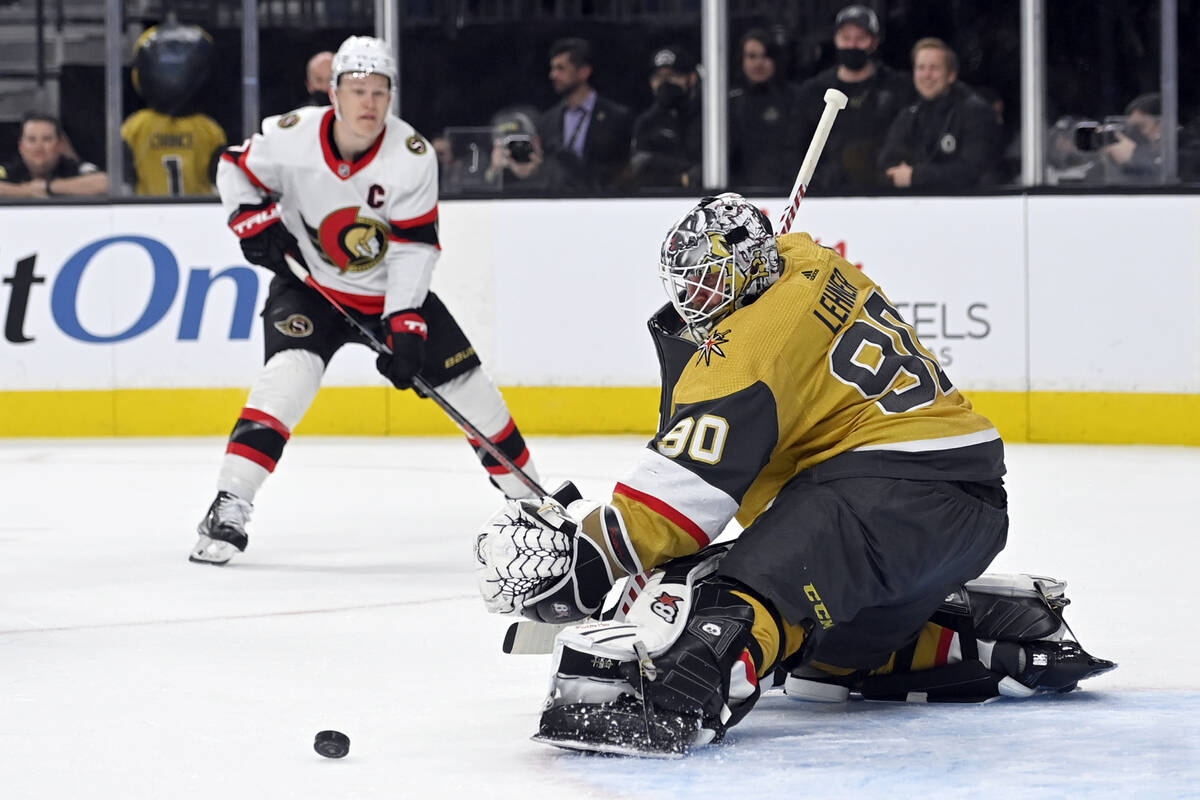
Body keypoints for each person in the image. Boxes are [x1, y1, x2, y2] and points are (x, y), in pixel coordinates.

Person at [473, 192, 1114, 755]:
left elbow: (682, 498)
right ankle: (977, 633)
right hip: (963, 506)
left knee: (732, 596)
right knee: (826, 658)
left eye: (708, 283)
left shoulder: (749, 349)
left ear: (748, 272)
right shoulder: (811, 260)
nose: (694, 300)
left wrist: (590, 553)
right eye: (686, 284)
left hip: (887, 494)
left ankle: (668, 697)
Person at [190, 35, 541, 566]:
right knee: (288, 379)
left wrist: (403, 320)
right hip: (308, 286)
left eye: (380, 91)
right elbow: (233, 166)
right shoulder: (292, 137)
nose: (369, 103)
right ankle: (230, 502)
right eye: (357, 90)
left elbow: (413, 245)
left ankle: (534, 504)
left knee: (471, 391)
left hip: (387, 294)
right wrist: (252, 221)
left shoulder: (411, 155)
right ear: (334, 93)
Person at [796, 6, 915, 193]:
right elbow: (796, 146)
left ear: (874, 42)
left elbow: (909, 140)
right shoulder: (813, 91)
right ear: (836, 39)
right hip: (827, 195)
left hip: (887, 194)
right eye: (846, 38)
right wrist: (819, 183)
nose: (852, 45)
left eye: (860, 38)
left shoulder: (899, 88)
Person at [877, 37, 1000, 190]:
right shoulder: (909, 115)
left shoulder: (976, 112)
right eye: (921, 68)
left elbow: (972, 170)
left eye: (934, 68)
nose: (926, 75)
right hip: (915, 205)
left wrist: (916, 176)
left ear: (951, 75)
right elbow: (887, 164)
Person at [121, 23, 227, 196]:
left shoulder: (135, 127)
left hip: (144, 213)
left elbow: (123, 186)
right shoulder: (209, 130)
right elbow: (221, 186)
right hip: (199, 215)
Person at [538, 37, 633, 191]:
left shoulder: (617, 118)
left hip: (604, 202)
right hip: (557, 205)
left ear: (583, 72)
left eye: (561, 68)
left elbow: (622, 169)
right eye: (552, 68)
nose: (553, 75)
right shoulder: (547, 121)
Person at [727, 29, 804, 189]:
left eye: (765, 56)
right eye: (752, 56)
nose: (758, 63)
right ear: (741, 60)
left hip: (787, 192)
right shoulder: (728, 103)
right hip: (740, 195)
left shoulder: (796, 98)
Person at [628, 45, 702, 189]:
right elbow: (641, 168)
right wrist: (682, 177)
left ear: (691, 78)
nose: (665, 83)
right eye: (658, 77)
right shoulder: (646, 123)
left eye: (672, 75)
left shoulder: (709, 119)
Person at [0, 112, 109, 198]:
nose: (39, 147)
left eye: (47, 139)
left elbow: (104, 182)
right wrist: (25, 191)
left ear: (59, 145)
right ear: (21, 147)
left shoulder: (75, 167)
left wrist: (48, 187)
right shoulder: (8, 170)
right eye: (32, 140)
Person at [483, 106, 550, 192]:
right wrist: (493, 172)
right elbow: (473, 193)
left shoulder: (555, 171)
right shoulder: (480, 166)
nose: (516, 150)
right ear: (495, 149)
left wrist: (537, 171)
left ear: (537, 143)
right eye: (507, 145)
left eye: (522, 143)